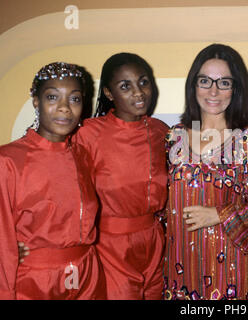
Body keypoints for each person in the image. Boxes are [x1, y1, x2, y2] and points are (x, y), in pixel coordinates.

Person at [163, 44, 248, 300]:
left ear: (235, 89)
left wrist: (218, 214)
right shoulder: (174, 137)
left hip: (230, 270)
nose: (213, 91)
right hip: (179, 265)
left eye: (224, 82)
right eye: (205, 81)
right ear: (193, 85)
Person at [0, 62, 105, 299]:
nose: (64, 108)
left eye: (74, 99)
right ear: (36, 101)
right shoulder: (7, 160)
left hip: (86, 276)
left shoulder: (84, 156)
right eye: (52, 97)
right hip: (34, 281)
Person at [72, 53, 168, 299]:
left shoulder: (161, 131)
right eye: (126, 86)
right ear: (108, 93)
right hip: (111, 247)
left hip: (155, 242)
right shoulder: (88, 134)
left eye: (143, 82)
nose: (139, 92)